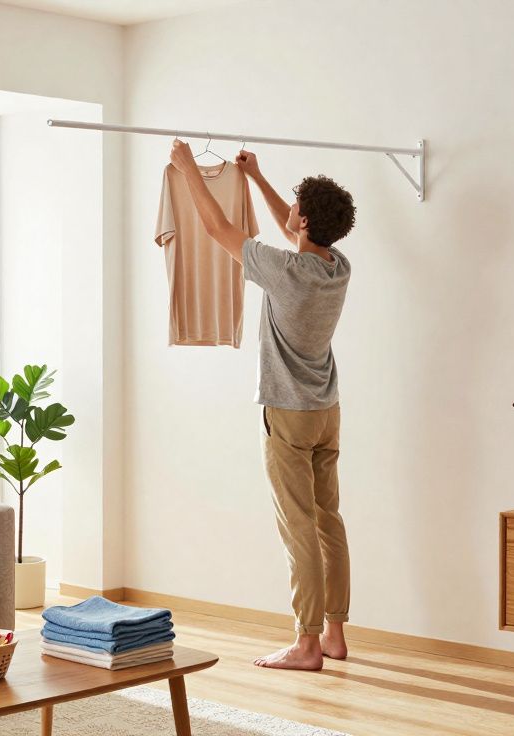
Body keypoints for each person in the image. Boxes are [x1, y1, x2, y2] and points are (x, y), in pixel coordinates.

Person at [168, 139, 356, 670]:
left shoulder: (284, 271)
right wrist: (257, 178)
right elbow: (294, 233)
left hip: (287, 414)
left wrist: (188, 171)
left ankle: (306, 644)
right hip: (327, 412)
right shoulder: (336, 266)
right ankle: (335, 635)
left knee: (298, 528)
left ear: (302, 221)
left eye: (295, 208)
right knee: (328, 521)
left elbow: (217, 230)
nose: (290, 215)